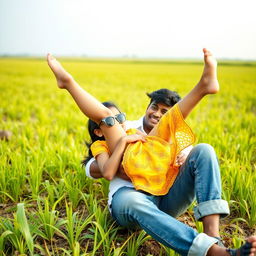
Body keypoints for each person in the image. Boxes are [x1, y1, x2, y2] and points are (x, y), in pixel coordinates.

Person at [47, 49, 256, 256]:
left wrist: (184, 155)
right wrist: (121, 146)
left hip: (164, 199)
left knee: (204, 150)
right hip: (129, 201)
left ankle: (213, 237)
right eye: (155, 107)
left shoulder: (148, 133)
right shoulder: (121, 133)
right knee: (110, 123)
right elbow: (100, 167)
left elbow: (178, 139)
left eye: (120, 117)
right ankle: (211, 252)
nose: (157, 114)